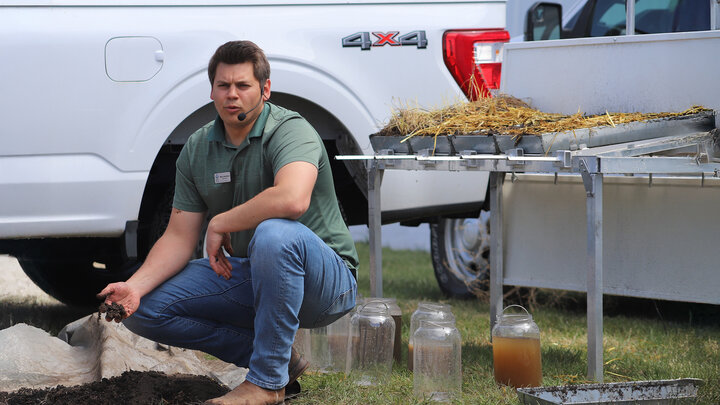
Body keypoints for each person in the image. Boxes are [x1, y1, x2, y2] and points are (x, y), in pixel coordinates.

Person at [98, 40, 359, 405]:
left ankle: (266, 385)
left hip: (326, 285)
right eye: (224, 86)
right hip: (256, 273)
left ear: (265, 89)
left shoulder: (290, 130)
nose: (232, 94)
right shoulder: (198, 147)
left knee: (275, 233)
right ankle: (277, 361)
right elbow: (177, 237)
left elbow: (292, 199)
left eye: (243, 85)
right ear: (212, 90)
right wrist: (135, 287)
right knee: (145, 310)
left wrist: (220, 222)